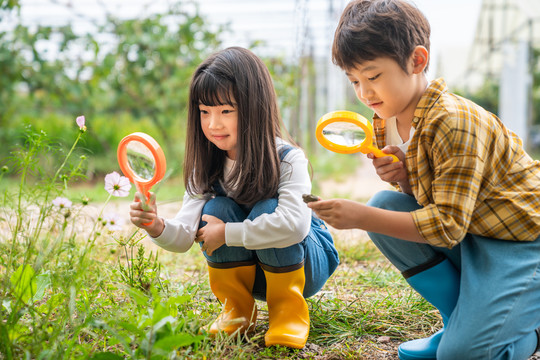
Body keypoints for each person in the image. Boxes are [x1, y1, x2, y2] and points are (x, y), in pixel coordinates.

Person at [308, 1, 540, 359]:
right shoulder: (386, 119)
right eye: (354, 81)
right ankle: (457, 320)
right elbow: (434, 201)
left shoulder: (453, 122)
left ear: (417, 61)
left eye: (373, 77)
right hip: (477, 232)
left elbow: (446, 225)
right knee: (386, 205)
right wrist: (405, 180)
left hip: (523, 243)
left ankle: (528, 331)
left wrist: (358, 218)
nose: (365, 94)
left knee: (459, 356)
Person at [129, 46, 339, 349]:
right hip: (255, 271)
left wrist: (226, 233)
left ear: (255, 107)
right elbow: (187, 234)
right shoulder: (206, 167)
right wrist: (156, 226)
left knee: (269, 208)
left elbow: (294, 226)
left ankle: (287, 313)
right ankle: (237, 311)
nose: (214, 124)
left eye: (226, 111)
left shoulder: (288, 159)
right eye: (205, 112)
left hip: (305, 265)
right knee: (216, 208)